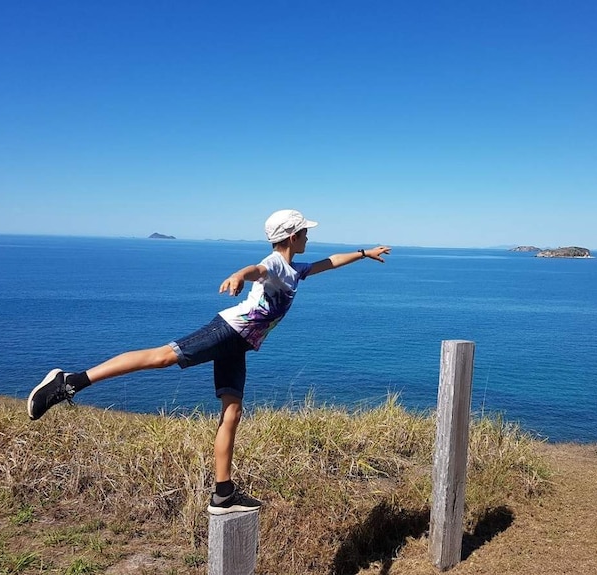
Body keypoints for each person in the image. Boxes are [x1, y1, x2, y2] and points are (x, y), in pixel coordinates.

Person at [27, 209, 391, 514]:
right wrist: (237, 275)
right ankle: (69, 381)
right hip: (228, 331)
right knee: (160, 358)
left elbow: (328, 263)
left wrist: (363, 252)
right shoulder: (276, 265)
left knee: (233, 411)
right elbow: (256, 270)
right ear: (293, 236)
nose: (309, 237)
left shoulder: (295, 269)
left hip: (241, 343)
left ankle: (223, 493)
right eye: (305, 232)